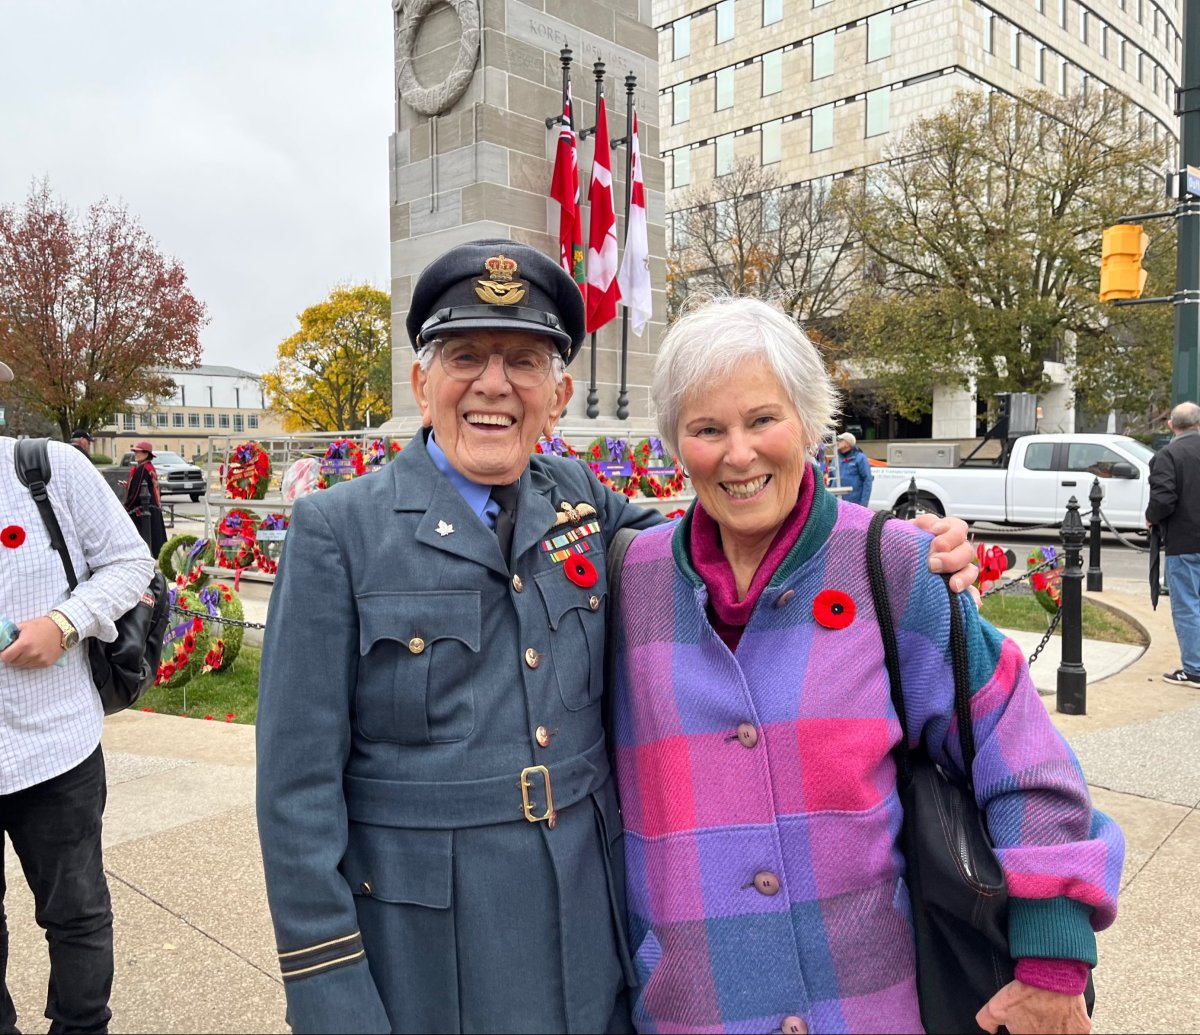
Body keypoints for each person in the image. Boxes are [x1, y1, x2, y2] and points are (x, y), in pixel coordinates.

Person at [254, 242, 979, 1033]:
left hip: (583, 939)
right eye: (465, 356)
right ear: (423, 383)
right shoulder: (340, 532)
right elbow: (296, 793)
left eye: (524, 362)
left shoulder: (581, 503)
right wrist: (329, 992)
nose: (493, 384)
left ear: (557, 394)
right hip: (425, 955)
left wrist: (892, 549)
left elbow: (730, 537)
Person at [610, 297, 1123, 1035]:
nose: (738, 453)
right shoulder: (631, 581)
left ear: (811, 419)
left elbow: (1024, 757)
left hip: (869, 1006)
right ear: (675, 443)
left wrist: (1052, 960)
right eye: (706, 429)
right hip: (694, 1010)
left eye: (762, 419)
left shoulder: (892, 567)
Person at [0, 358, 155, 1033]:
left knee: (77, 913)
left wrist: (63, 624)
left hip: (53, 745)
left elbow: (131, 561)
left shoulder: (45, 470)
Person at [1146, 400, 1200, 687]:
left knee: (1188, 605)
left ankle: (1194, 669)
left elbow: (1163, 499)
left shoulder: (1168, 455)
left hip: (1185, 540)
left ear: (1171, 425)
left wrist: (1151, 517)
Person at [122, 440, 166, 556]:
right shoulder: (148, 467)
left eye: (138, 452)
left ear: (146, 454)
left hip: (143, 509)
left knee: (145, 537)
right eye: (135, 452)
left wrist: (126, 506)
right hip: (152, 506)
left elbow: (137, 491)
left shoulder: (142, 469)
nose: (135, 454)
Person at [835, 430, 873, 505]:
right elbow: (831, 478)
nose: (837, 443)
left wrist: (863, 504)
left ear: (848, 443)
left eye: (841, 440)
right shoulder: (836, 459)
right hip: (837, 503)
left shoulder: (860, 458)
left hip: (854, 503)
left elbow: (867, 480)